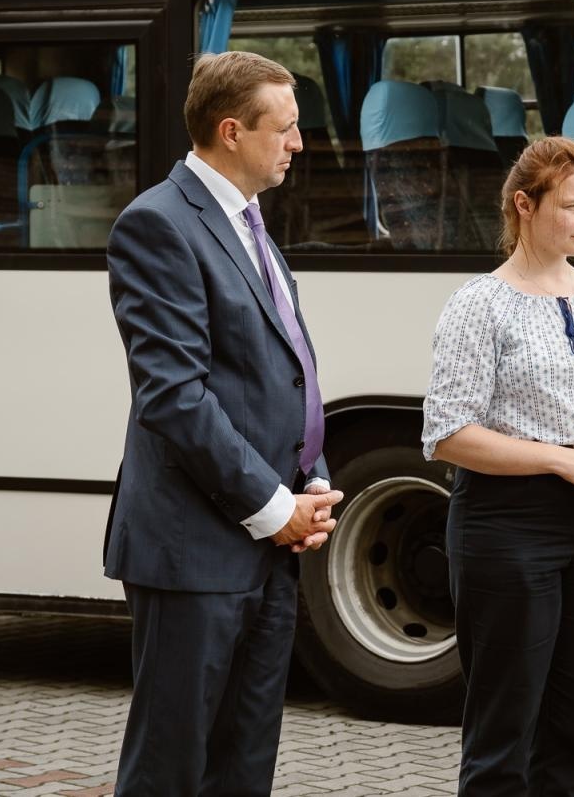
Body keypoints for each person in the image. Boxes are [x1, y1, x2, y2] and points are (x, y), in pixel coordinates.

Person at [104, 50, 343, 796]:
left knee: (243, 764)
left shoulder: (249, 222)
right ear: (232, 130)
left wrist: (312, 480)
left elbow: (283, 369)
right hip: (194, 548)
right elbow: (174, 395)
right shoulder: (158, 223)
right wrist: (274, 509)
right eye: (287, 128)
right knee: (172, 766)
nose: (298, 144)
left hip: (266, 545)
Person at [422, 136, 574, 797]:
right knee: (505, 732)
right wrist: (563, 462)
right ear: (525, 205)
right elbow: (446, 433)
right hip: (508, 523)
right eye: (573, 205)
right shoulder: (479, 304)